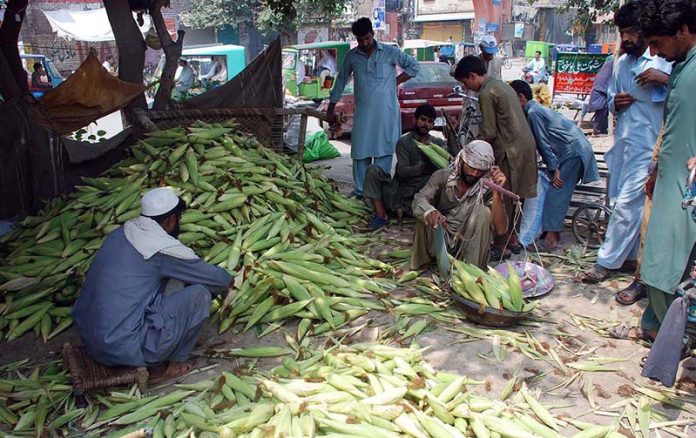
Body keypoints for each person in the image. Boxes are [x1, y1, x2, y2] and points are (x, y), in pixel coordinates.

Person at [72, 188, 232, 383]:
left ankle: (161, 340)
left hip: (92, 340)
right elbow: (220, 281)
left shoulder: (121, 232)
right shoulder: (161, 248)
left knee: (171, 280)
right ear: (171, 220)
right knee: (199, 295)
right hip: (123, 349)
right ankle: (165, 367)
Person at [581, 1, 672, 285]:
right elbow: (610, 96)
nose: (628, 39)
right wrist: (614, 103)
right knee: (627, 203)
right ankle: (629, 259)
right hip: (624, 144)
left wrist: (664, 80)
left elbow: (681, 98)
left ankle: (605, 262)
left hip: (650, 148)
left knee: (626, 205)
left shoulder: (664, 61)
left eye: (632, 32)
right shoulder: (620, 62)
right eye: (623, 33)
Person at [633, 0, 696, 340]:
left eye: (658, 43)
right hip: (669, 177)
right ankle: (655, 325)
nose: (654, 51)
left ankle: (673, 334)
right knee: (659, 255)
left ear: (683, 31)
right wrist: (656, 169)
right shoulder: (683, 66)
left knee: (669, 260)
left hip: (687, 186)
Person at [452, 55, 538, 257]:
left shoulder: (486, 93)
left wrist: (470, 152)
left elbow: (489, 132)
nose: (466, 88)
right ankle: (513, 239)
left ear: (472, 76)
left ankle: (501, 245)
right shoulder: (503, 86)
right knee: (518, 196)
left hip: (511, 150)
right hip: (525, 146)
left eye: (465, 83)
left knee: (504, 195)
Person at [326, 17, 420, 198]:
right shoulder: (352, 56)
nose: (364, 43)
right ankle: (361, 192)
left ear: (373, 34)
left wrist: (395, 82)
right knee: (360, 152)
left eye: (367, 38)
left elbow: (414, 66)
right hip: (363, 114)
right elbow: (341, 80)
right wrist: (331, 107)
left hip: (387, 112)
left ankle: (379, 193)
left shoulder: (390, 52)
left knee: (384, 152)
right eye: (360, 40)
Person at [510, 80, 600, 249]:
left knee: (557, 193)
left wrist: (554, 168)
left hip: (572, 152)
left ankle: (551, 240)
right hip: (573, 150)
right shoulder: (536, 109)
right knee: (556, 190)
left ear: (521, 97)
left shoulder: (533, 114)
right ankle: (551, 233)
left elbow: (542, 143)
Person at [411, 140, 508, 270]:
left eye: (479, 171)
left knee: (484, 212)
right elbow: (419, 199)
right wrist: (430, 211)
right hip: (440, 238)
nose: (474, 174)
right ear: (461, 161)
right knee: (423, 212)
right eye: (471, 167)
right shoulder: (442, 177)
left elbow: (501, 229)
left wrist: (497, 191)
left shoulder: (487, 186)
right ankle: (423, 264)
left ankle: (472, 269)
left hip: (467, 243)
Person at [363, 104, 448, 230]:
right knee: (373, 170)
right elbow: (402, 172)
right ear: (415, 120)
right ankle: (381, 216)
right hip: (401, 191)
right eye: (423, 120)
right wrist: (421, 167)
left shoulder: (437, 143)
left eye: (430, 122)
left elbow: (453, 162)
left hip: (424, 191)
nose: (426, 124)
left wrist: (451, 135)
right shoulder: (404, 142)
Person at [578, 56, 613, 135]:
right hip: (601, 91)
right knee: (601, 112)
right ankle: (597, 130)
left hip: (601, 91)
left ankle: (602, 129)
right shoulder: (612, 65)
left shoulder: (607, 67)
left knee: (604, 112)